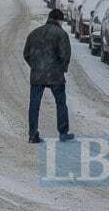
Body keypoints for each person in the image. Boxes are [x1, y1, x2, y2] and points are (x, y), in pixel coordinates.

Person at [23, 9, 73, 143]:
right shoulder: (61, 34)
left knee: (34, 104)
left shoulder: (34, 33)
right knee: (60, 103)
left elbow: (26, 54)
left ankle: (33, 134)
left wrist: (36, 66)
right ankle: (63, 132)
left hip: (37, 75)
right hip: (55, 75)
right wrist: (62, 68)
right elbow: (65, 55)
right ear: (59, 20)